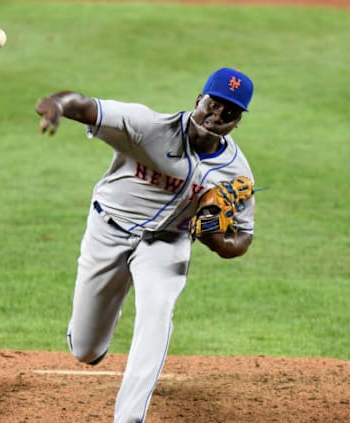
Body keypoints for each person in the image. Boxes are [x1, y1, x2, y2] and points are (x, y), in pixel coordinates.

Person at [34, 67, 257, 423]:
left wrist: (216, 240)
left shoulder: (236, 173)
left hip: (167, 244)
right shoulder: (148, 127)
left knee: (157, 313)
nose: (215, 118)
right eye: (212, 106)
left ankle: (129, 418)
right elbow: (86, 106)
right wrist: (56, 106)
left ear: (237, 122)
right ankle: (99, 326)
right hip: (109, 230)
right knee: (86, 350)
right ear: (198, 99)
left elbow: (243, 237)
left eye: (228, 114)